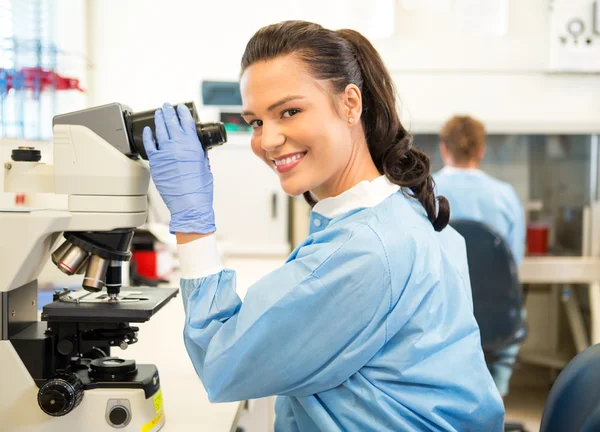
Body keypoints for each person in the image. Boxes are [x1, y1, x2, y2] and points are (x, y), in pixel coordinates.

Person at [142, 21, 504, 431]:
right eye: (256, 121)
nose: (268, 140)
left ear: (351, 104)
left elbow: (222, 361)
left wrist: (192, 223)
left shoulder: (364, 249)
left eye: (289, 111)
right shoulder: (397, 208)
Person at [433, 114, 526, 399]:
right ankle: (494, 395)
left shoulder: (423, 191)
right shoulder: (505, 195)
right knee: (511, 318)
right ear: (481, 150)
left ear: (443, 148)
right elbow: (514, 265)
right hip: (494, 314)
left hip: (441, 312)